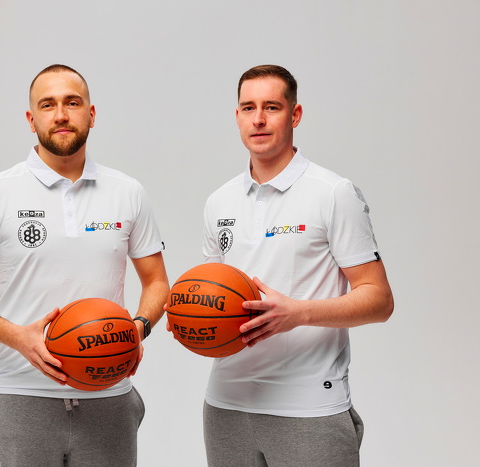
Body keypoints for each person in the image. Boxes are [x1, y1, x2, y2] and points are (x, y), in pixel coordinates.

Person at [0, 64, 169, 467]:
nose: (61, 114)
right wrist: (18, 338)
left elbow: (156, 283)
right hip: (20, 398)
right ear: (32, 120)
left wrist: (137, 329)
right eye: (48, 105)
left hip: (108, 398)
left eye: (72, 102)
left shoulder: (128, 192)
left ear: (91, 114)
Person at [201, 65, 394, 466]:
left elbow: (379, 300)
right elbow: (213, 293)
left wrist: (298, 313)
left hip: (309, 409)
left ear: (295, 114)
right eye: (248, 108)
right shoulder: (219, 202)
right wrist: (192, 320)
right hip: (226, 405)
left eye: (271, 107)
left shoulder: (333, 193)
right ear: (237, 116)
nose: (258, 119)